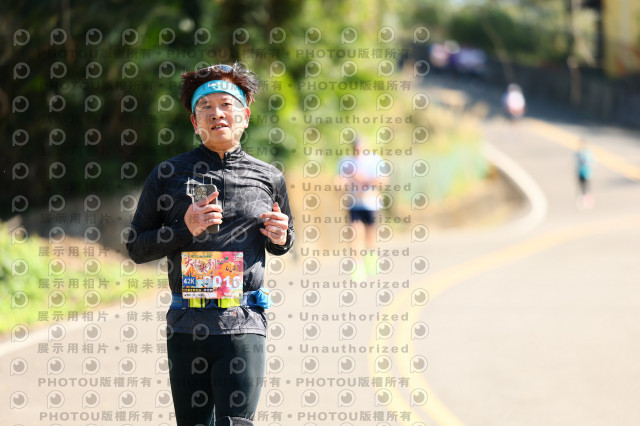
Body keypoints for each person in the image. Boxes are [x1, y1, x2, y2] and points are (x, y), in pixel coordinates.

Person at [126, 63, 295, 426]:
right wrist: (183, 229)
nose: (217, 113)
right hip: (187, 325)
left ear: (245, 116)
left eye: (226, 105)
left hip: (243, 323)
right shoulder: (167, 174)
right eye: (206, 107)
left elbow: (284, 239)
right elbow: (136, 247)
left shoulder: (269, 177)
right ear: (194, 122)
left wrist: (281, 237)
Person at [336, 137, 387, 280]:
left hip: (372, 204)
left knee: (370, 235)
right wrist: (343, 182)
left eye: (361, 147)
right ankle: (357, 266)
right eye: (356, 148)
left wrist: (364, 180)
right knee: (355, 234)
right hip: (354, 204)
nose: (359, 150)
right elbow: (338, 181)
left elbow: (383, 181)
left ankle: (371, 259)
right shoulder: (346, 162)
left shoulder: (375, 160)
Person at [576, 139, 595, 209]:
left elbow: (591, 162)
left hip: (586, 173)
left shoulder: (586, 153)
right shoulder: (580, 153)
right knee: (582, 188)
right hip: (581, 173)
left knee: (586, 189)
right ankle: (584, 202)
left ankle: (587, 202)